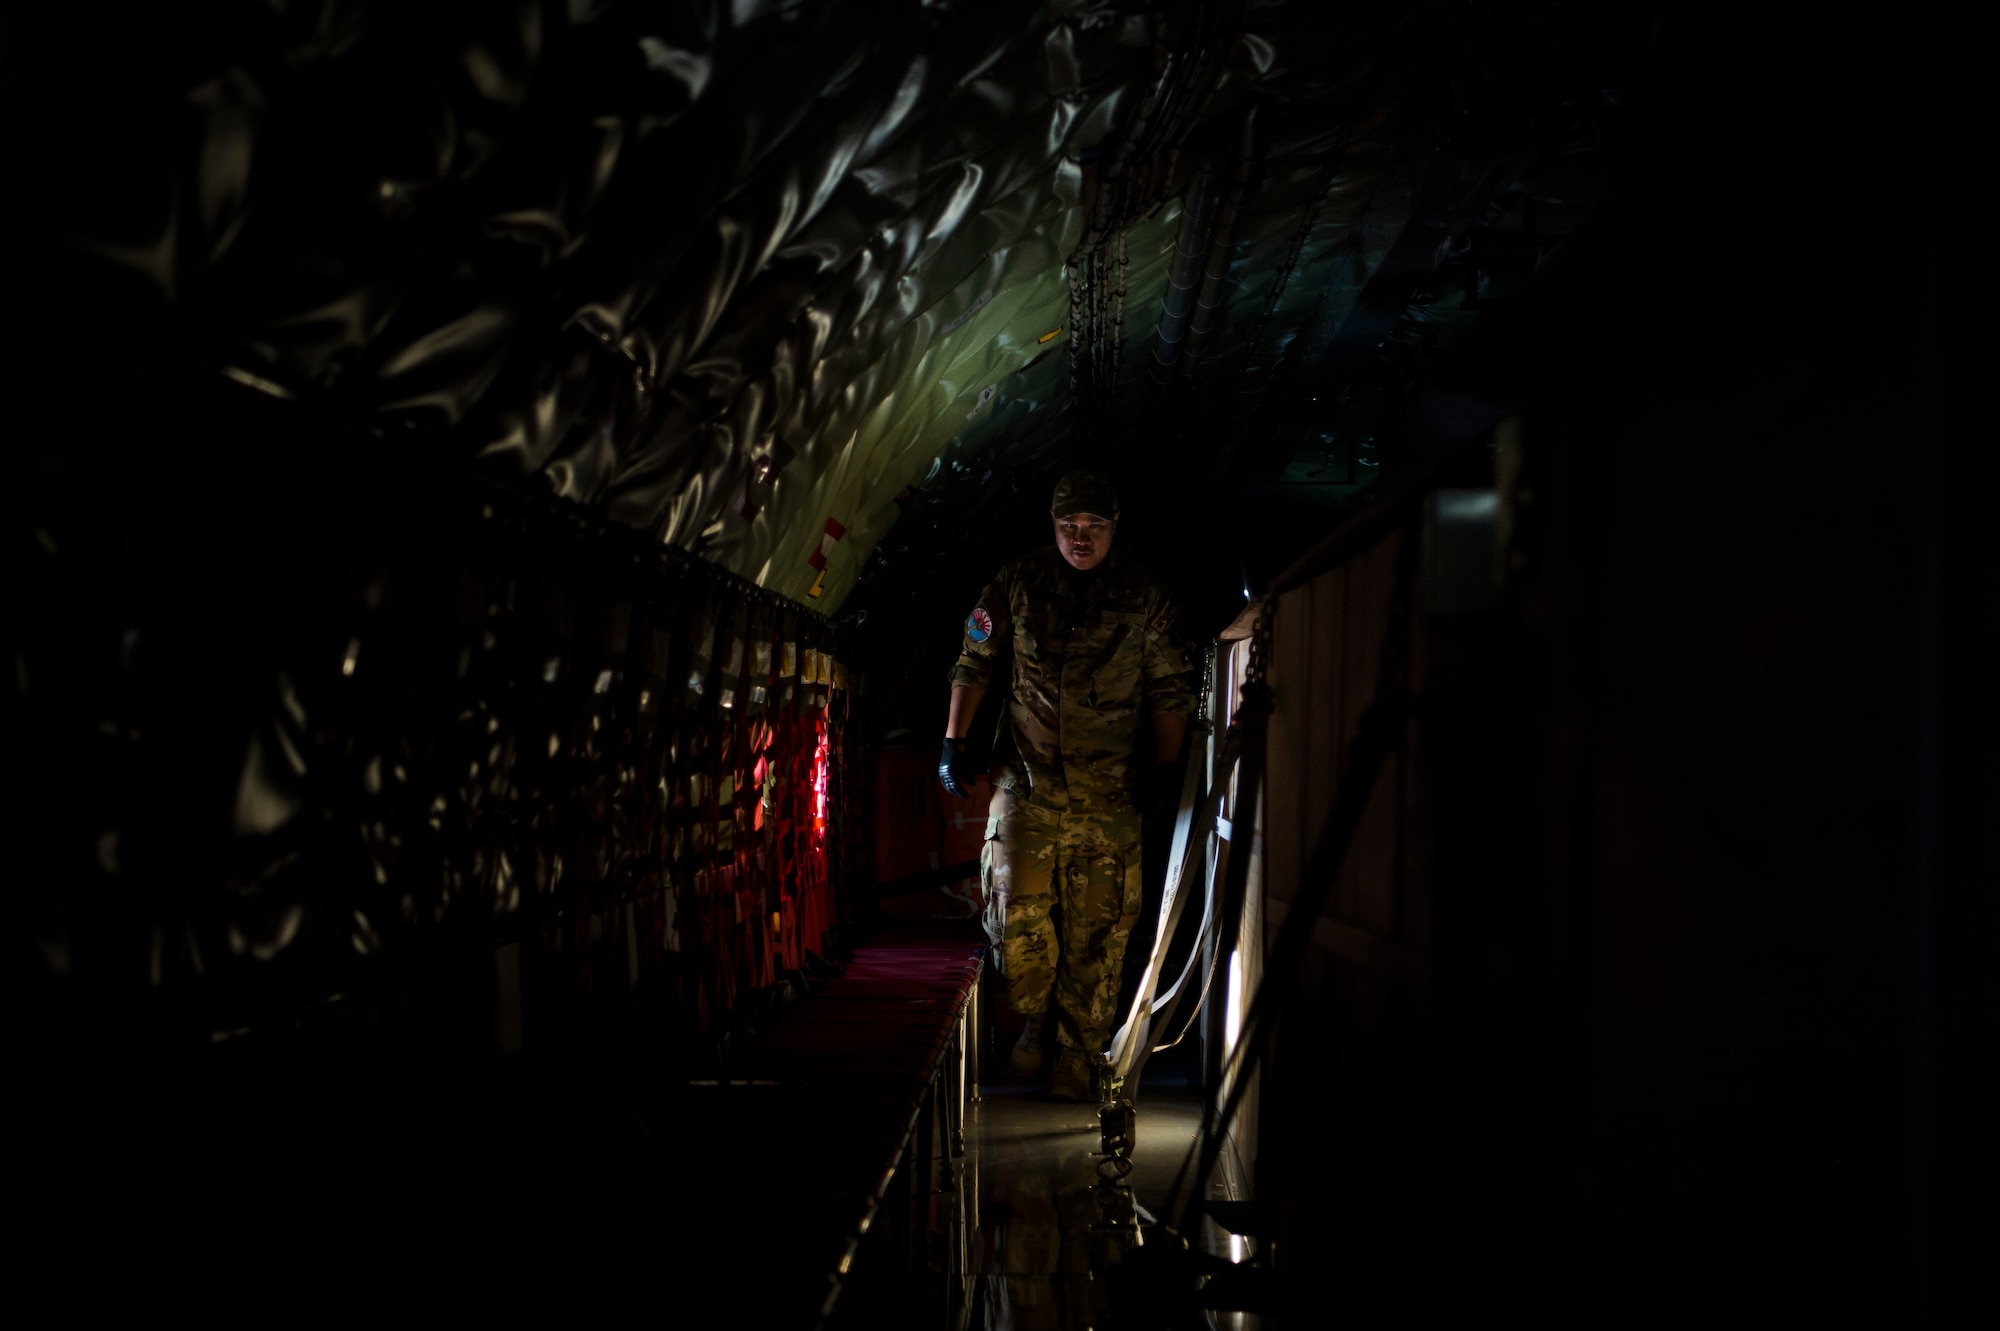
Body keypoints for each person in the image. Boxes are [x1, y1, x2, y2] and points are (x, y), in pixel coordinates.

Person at [939, 468, 1193, 1100]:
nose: (1081, 538)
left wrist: (1166, 771)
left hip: (1111, 797)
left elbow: (1169, 688)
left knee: (1098, 939)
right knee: (1017, 929)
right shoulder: (1017, 584)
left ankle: (1076, 1055)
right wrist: (953, 740)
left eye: (1094, 527)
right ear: (1053, 527)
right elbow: (976, 657)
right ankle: (1035, 1022)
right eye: (1068, 527)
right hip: (1029, 787)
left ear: (1114, 528)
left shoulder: (1144, 596)